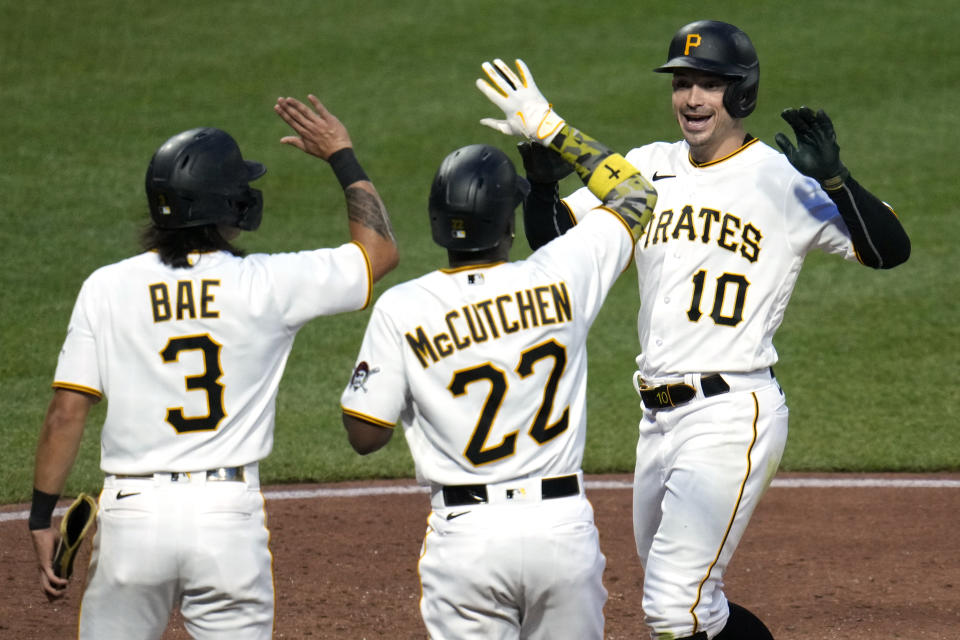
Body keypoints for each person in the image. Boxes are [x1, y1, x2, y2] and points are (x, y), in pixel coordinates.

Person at [513, 20, 911, 640]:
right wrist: (542, 183)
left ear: (742, 95)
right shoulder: (643, 170)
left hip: (731, 414)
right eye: (682, 84)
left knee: (674, 609)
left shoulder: (780, 179)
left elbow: (889, 251)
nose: (692, 99)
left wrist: (836, 180)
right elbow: (553, 238)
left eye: (709, 85)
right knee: (695, 604)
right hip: (657, 419)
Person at [28, 94, 398, 639]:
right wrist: (341, 154)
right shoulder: (269, 283)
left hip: (132, 515)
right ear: (231, 206)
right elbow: (379, 251)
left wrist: (40, 517)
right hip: (225, 517)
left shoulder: (107, 286)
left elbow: (67, 411)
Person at [339, 57, 658, 639]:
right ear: (508, 225)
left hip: (467, 538)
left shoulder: (403, 308)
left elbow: (366, 435)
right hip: (560, 531)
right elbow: (636, 193)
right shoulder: (561, 274)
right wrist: (549, 134)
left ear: (436, 221)